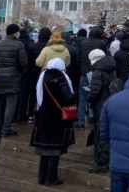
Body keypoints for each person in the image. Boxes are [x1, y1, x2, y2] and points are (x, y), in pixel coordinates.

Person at [30, 58, 75, 186]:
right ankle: (52, 177)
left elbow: (38, 94)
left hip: (43, 114)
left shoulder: (43, 75)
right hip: (57, 116)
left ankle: (42, 176)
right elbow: (68, 96)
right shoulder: (61, 77)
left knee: (44, 148)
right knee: (55, 148)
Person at [0, 23, 28, 137]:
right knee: (10, 104)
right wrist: (21, 72)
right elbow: (23, 62)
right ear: (15, 33)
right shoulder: (19, 45)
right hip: (13, 77)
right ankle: (6, 128)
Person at [87, 49, 119, 174]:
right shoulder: (111, 67)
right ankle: (109, 158)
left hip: (100, 105)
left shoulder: (97, 71)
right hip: (111, 102)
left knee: (100, 133)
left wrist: (89, 97)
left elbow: (95, 92)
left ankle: (101, 162)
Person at [77, 26, 106, 129]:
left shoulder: (83, 43)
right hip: (96, 73)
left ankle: (80, 121)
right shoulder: (101, 43)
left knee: (82, 98)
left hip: (84, 73)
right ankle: (92, 117)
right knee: (96, 96)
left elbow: (79, 58)